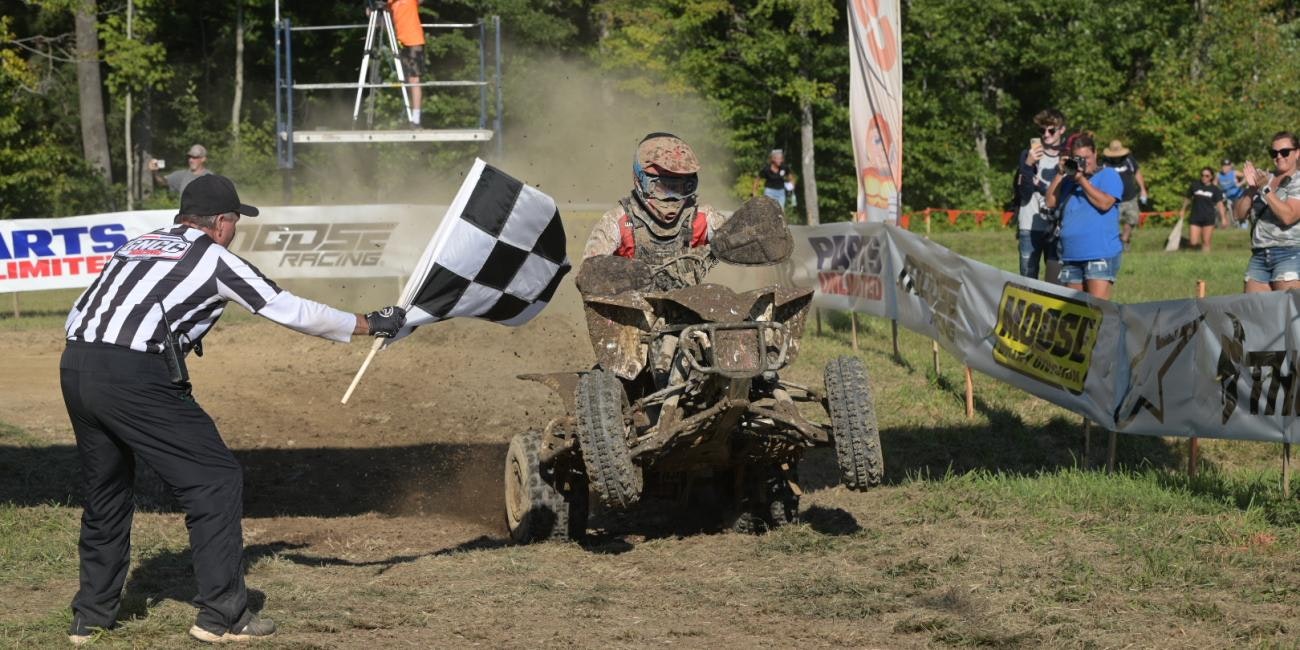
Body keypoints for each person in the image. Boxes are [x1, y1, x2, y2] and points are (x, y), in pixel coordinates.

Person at [61, 174, 406, 645]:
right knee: (214, 479)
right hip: (134, 373)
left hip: (77, 363)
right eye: (235, 220)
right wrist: (367, 322)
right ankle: (221, 617)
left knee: (107, 490)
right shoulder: (215, 258)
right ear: (221, 222)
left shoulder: (137, 244)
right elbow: (285, 308)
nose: (236, 229)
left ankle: (91, 618)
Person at [584, 132, 727, 291]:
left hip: (684, 308)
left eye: (680, 187)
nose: (672, 196)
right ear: (641, 180)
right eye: (662, 186)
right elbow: (588, 271)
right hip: (629, 309)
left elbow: (736, 238)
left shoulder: (700, 217)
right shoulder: (619, 221)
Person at [1045, 134, 1124, 300]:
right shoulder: (1068, 181)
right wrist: (1060, 173)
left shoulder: (1108, 175)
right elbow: (1050, 202)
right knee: (1074, 315)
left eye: (1087, 158)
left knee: (1097, 312)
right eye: (1078, 158)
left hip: (1099, 253)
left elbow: (1105, 203)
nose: (1084, 162)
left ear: (1096, 154)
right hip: (1071, 255)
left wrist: (1081, 180)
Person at [1234, 131, 1300, 293]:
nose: (1279, 156)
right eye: (1274, 153)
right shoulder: (1264, 177)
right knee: (1254, 314)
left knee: (1289, 315)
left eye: (1285, 152)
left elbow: (1288, 216)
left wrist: (1264, 189)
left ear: (1297, 153)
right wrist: (1251, 189)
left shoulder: (1298, 181)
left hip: (1290, 254)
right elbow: (1239, 215)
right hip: (1259, 256)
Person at [1013, 108, 1066, 283]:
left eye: (1051, 130)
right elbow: (1024, 192)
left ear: (1062, 130)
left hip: (1056, 227)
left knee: (1055, 282)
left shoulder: (1067, 156)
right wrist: (1028, 165)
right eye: (1041, 130)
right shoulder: (1028, 154)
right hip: (1030, 224)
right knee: (1028, 280)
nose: (1046, 134)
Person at [1100, 139, 1148, 250]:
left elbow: (1137, 173)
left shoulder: (1129, 160)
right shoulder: (1104, 163)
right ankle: (1112, 245)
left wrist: (1143, 189)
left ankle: (1124, 240)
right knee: (1111, 223)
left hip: (1130, 197)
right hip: (1112, 199)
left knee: (1133, 219)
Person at [389, 0, 425, 127]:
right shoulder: (390, 3)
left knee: (414, 80)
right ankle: (408, 115)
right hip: (400, 42)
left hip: (414, 41)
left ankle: (416, 119)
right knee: (406, 80)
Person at [1179, 167, 1226, 252]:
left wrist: (1223, 218)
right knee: (1193, 242)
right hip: (1195, 217)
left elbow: (1220, 204)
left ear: (1211, 177)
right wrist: (1183, 209)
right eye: (1202, 175)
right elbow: (1187, 198)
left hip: (1208, 218)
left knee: (1206, 242)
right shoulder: (1195, 185)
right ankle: (1185, 246)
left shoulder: (1215, 189)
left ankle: (1206, 260)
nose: (1204, 177)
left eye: (1207, 176)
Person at [1218, 159, 1245, 228]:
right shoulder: (1219, 175)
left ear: (1230, 167)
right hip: (1227, 197)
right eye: (1223, 166)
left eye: (1227, 166)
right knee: (1221, 204)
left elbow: (1246, 176)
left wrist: (1240, 183)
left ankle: (1242, 224)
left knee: (1236, 209)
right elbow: (1214, 186)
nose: (1225, 168)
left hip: (1237, 195)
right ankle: (1225, 224)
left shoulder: (1234, 173)